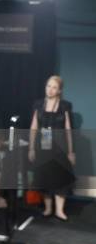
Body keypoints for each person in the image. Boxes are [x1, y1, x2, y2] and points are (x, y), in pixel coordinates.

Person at [28, 75, 75, 221]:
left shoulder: (65, 105)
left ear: (59, 90)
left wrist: (71, 151)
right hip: (43, 146)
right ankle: (48, 208)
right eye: (48, 86)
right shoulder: (38, 104)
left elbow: (68, 129)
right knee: (45, 177)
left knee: (60, 177)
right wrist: (31, 148)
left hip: (60, 146)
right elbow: (34, 127)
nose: (50, 89)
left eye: (54, 87)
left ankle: (59, 210)